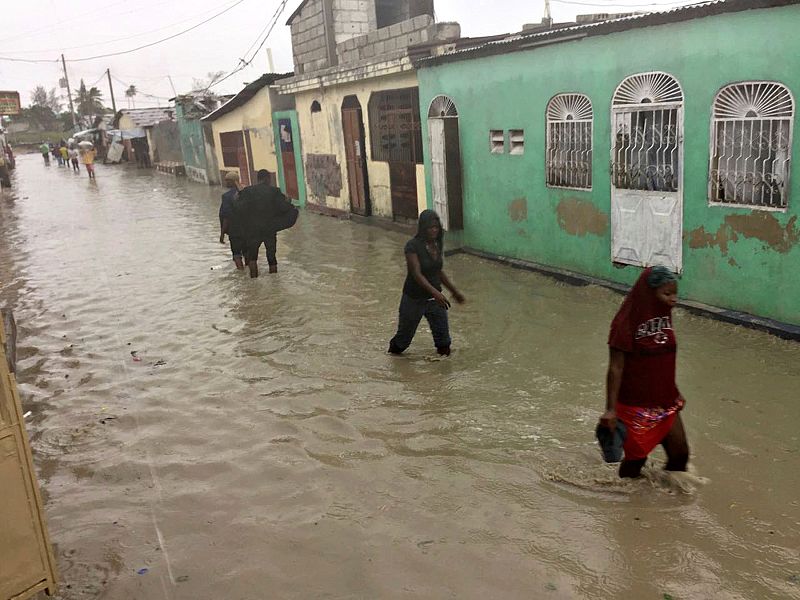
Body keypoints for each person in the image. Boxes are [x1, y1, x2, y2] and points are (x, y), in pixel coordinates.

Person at [600, 266, 690, 478]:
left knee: (680, 455)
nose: (673, 299)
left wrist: (674, 392)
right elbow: (615, 367)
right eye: (667, 294)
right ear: (648, 294)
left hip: (664, 401)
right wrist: (610, 410)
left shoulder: (664, 317)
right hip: (635, 406)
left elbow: (662, 359)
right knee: (635, 463)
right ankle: (627, 504)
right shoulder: (624, 323)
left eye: (675, 293)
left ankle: (667, 504)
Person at [388, 209, 465, 357]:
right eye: (430, 228)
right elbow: (416, 273)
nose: (434, 230)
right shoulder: (412, 246)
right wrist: (436, 293)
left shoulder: (437, 244)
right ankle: (392, 362)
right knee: (402, 342)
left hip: (435, 300)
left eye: (436, 227)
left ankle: (444, 376)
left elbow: (438, 271)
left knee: (444, 343)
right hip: (413, 299)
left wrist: (454, 292)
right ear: (423, 228)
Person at [237, 169, 295, 278]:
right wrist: (288, 201)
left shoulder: (247, 191)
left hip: (253, 230)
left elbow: (240, 209)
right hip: (269, 229)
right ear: (267, 179)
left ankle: (254, 281)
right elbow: (283, 207)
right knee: (271, 256)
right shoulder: (275, 191)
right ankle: (274, 282)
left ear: (257, 179)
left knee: (252, 258)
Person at [219, 171, 245, 269]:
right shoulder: (246, 193)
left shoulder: (226, 196)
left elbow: (226, 216)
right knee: (247, 253)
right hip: (248, 228)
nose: (226, 183)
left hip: (235, 231)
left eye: (227, 181)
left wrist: (222, 233)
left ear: (233, 181)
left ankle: (242, 276)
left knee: (237, 254)